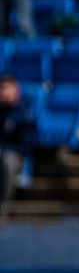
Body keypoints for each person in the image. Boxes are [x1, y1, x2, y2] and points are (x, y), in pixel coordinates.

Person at [0, 72, 33, 216]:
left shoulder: (24, 112)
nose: (3, 92)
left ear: (16, 89)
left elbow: (28, 142)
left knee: (8, 161)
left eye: (6, 88)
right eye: (1, 89)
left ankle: (3, 203)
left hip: (16, 154)